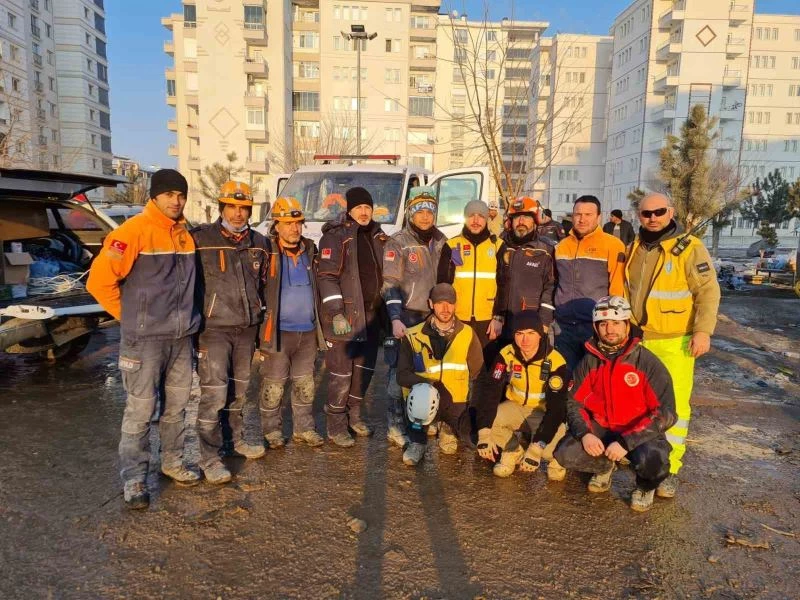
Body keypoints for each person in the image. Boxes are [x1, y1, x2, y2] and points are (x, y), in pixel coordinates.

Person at [86, 169, 201, 509]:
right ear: (154, 196)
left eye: (181, 195)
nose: (176, 201)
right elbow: (99, 282)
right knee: (140, 410)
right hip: (145, 340)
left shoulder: (185, 235)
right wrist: (132, 318)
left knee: (177, 408)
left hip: (181, 338)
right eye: (169, 194)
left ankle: (173, 462)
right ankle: (134, 478)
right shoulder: (132, 232)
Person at [625, 192, 720, 498]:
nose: (653, 217)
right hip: (640, 340)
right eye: (646, 213)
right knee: (638, 406)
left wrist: (703, 332)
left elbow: (708, 292)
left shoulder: (689, 249)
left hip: (676, 342)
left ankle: (670, 469)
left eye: (659, 212)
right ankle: (644, 463)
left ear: (671, 212)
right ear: (639, 216)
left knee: (674, 409)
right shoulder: (635, 247)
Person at [554, 296, 677, 512]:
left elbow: (666, 413)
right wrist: (585, 434)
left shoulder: (647, 362)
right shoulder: (589, 361)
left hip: (638, 431)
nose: (610, 329)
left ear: (627, 325)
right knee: (565, 453)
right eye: (603, 324)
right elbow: (573, 403)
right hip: (603, 428)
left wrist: (626, 442)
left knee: (652, 462)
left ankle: (646, 485)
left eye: (616, 322)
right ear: (596, 327)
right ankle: (604, 466)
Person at [192, 181, 269, 485]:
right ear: (221, 207)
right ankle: (209, 458)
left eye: (244, 208)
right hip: (213, 330)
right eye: (232, 207)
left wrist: (261, 323)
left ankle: (232, 442)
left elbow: (263, 285)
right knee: (213, 395)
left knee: (238, 393)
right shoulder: (200, 240)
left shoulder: (260, 242)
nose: (238, 214)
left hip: (246, 329)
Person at [316, 186, 387, 447]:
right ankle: (336, 425)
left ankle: (354, 415)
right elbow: (327, 276)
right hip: (345, 316)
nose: (364, 212)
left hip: (370, 316)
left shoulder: (379, 237)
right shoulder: (336, 237)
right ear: (349, 209)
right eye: (359, 207)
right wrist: (336, 312)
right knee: (341, 373)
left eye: (368, 207)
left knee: (363, 370)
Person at [258, 197, 327, 451]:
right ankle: (272, 430)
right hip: (277, 332)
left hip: (307, 331)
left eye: (298, 223)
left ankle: (304, 428)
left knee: (305, 384)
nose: (294, 229)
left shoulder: (310, 250)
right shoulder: (267, 252)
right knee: (274, 386)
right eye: (288, 223)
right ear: (276, 225)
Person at [382, 186, 448, 449]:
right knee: (399, 372)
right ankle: (395, 423)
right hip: (407, 317)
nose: (425, 215)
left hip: (432, 317)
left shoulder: (442, 241)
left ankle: (421, 418)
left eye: (430, 210)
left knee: (428, 371)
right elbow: (390, 283)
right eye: (419, 210)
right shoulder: (398, 242)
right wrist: (395, 317)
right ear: (410, 211)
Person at [395, 283, 484, 466]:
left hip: (455, 401)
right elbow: (402, 375)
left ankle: (448, 430)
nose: (445, 309)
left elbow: (479, 374)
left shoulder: (467, 334)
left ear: (455, 305)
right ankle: (418, 441)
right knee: (419, 397)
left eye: (450, 303)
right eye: (440, 303)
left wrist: (477, 411)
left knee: (470, 441)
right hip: (425, 400)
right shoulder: (412, 335)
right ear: (430, 304)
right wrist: (432, 385)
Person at [474, 310, 568, 480]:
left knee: (550, 447)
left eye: (531, 333)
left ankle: (556, 460)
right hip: (515, 407)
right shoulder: (506, 354)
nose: (525, 340)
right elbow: (490, 391)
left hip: (543, 412)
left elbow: (557, 409)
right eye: (519, 334)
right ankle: (513, 451)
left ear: (540, 334)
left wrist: (535, 449)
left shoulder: (556, 361)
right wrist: (484, 432)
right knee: (488, 421)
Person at [553, 195, 626, 371]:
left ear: (599, 217)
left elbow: (617, 288)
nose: (582, 219)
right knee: (563, 379)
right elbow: (555, 282)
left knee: (592, 379)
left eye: (588, 214)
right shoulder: (561, 246)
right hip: (562, 327)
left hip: (593, 327)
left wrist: (612, 325)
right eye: (578, 214)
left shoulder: (612, 245)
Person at [437, 200, 504, 363]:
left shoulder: (498, 246)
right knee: (457, 365)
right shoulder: (452, 245)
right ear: (465, 218)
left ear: (487, 219)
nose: (475, 220)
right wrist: (446, 315)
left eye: (480, 216)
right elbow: (443, 285)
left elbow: (504, 284)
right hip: (458, 318)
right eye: (471, 216)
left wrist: (499, 317)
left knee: (484, 368)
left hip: (487, 321)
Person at [493, 196, 556, 342]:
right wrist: (497, 315)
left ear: (535, 221)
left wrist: (544, 321)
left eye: (526, 217)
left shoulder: (546, 250)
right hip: (501, 323)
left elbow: (551, 287)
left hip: (531, 325)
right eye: (517, 218)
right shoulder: (500, 247)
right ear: (510, 222)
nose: (521, 222)